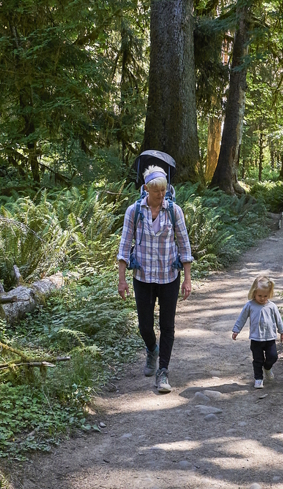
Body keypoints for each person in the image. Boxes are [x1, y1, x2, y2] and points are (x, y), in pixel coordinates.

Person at [117, 165, 193, 394]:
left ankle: (163, 372)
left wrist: (187, 279)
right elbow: (124, 245)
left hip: (169, 276)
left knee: (167, 326)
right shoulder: (134, 211)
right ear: (146, 189)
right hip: (142, 276)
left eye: (164, 190)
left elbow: (184, 244)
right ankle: (152, 349)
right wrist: (122, 280)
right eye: (156, 191)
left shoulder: (174, 211)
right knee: (144, 325)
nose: (161, 195)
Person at [231, 275, 283, 388]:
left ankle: (267, 368)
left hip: (270, 337)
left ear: (269, 294)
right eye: (259, 295)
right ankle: (258, 378)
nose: (262, 298)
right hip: (256, 338)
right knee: (257, 359)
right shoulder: (250, 305)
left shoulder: (272, 306)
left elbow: (279, 320)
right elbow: (242, 318)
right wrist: (236, 330)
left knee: (273, 356)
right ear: (254, 292)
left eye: (265, 296)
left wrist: (282, 332)